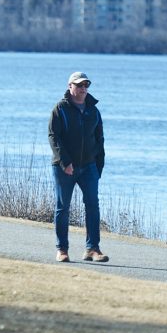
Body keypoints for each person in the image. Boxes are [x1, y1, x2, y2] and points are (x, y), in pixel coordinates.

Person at [48, 71, 108, 263]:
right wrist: (66, 163)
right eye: (79, 85)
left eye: (86, 85)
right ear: (70, 86)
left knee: (92, 206)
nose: (83, 88)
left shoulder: (93, 111)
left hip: (89, 167)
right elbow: (54, 137)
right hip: (63, 168)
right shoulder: (60, 109)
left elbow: (100, 140)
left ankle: (92, 249)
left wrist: (98, 166)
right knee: (62, 208)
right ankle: (62, 249)